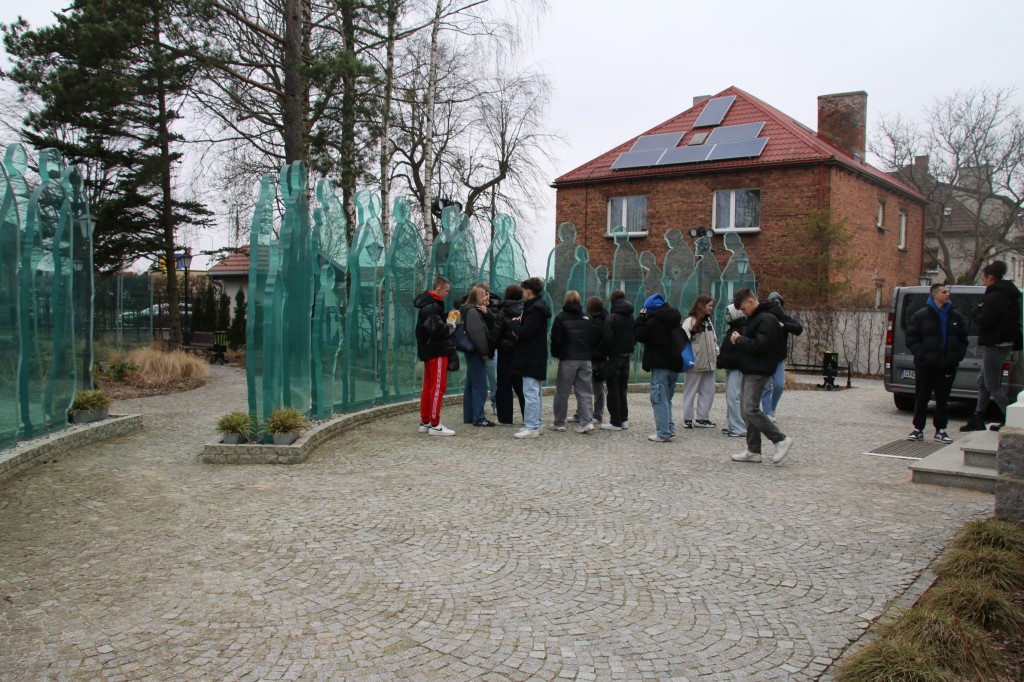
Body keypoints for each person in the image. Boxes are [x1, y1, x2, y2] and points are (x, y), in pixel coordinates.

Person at [729, 288, 794, 464]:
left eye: (743, 308)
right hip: (750, 368)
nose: (743, 312)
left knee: (750, 409)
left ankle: (780, 439)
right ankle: (753, 450)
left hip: (758, 370)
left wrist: (740, 340)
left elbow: (761, 345)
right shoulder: (759, 318)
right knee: (746, 410)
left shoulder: (767, 319)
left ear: (751, 301)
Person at [962, 260, 1023, 432]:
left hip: (995, 343)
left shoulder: (995, 296)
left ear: (990, 277)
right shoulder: (1010, 293)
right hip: (1005, 342)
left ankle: (1009, 416)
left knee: (991, 385)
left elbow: (986, 321)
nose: (983, 281)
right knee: (982, 381)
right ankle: (978, 417)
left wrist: (976, 311)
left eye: (984, 277)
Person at [905, 283, 968, 443]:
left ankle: (941, 429)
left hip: (946, 366)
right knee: (922, 396)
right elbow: (911, 339)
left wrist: (956, 356)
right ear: (934, 295)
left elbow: (963, 340)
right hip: (925, 366)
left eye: (948, 292)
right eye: (944, 292)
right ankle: (918, 429)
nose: (948, 294)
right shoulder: (920, 316)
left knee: (943, 398)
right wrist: (921, 355)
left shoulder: (955, 317)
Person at [634, 292, 683, 443]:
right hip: (674, 364)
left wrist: (641, 318)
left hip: (660, 365)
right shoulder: (674, 318)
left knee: (659, 399)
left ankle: (663, 433)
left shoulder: (654, 321)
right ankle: (670, 428)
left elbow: (639, 335)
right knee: (666, 399)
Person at [414, 275, 457, 436]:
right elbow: (438, 330)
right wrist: (451, 326)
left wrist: (445, 317)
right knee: (438, 387)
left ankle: (425, 421)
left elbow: (431, 325)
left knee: (428, 386)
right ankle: (435, 424)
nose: (447, 294)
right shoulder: (432, 307)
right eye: (446, 291)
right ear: (438, 289)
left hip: (428, 351)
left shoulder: (429, 306)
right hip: (436, 350)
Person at [509, 277, 551, 439]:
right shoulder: (538, 307)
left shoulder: (534, 309)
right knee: (535, 391)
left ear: (528, 290)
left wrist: (514, 325)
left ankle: (532, 426)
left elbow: (526, 332)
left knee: (530, 391)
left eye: (524, 290)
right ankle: (536, 423)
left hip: (531, 354)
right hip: (536, 354)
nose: (522, 293)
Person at [550, 290, 596, 433]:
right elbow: (593, 338)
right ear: (579, 301)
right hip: (585, 358)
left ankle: (559, 422)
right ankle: (587, 422)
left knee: (562, 392)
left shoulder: (560, 318)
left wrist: (557, 354)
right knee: (585, 392)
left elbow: (555, 339)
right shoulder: (588, 317)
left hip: (568, 358)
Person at [760, 291, 803, 420]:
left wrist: (783, 326)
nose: (776, 305)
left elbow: (798, 328)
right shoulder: (764, 317)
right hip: (766, 357)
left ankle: (772, 408)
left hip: (778, 358)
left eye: (778, 303)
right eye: (774, 302)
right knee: (766, 386)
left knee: (779, 384)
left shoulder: (783, 318)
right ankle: (767, 412)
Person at [460, 285, 498, 427]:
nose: (486, 298)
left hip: (471, 351)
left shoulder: (469, 310)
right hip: (476, 352)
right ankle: (479, 417)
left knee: (471, 384)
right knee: (479, 386)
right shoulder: (472, 312)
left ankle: (470, 415)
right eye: (484, 295)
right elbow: (478, 334)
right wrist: (484, 352)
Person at [680, 294, 718, 429]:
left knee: (708, 391)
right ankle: (688, 418)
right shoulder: (690, 321)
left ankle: (702, 418)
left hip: (709, 362)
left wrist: (716, 351)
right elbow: (683, 341)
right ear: (702, 305)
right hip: (695, 362)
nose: (711, 308)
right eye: (709, 306)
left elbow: (713, 339)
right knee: (690, 390)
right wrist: (688, 358)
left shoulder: (708, 322)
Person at [601, 290, 635, 430]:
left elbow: (607, 339)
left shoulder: (612, 317)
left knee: (613, 389)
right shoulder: (631, 318)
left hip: (614, 357)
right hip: (626, 357)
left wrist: (605, 352)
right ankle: (624, 419)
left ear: (613, 300)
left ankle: (615, 421)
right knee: (622, 389)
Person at [495, 284, 526, 426]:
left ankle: (505, 418)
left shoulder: (502, 310)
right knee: (522, 387)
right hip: (520, 352)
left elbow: (497, 332)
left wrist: (491, 349)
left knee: (504, 386)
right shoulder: (525, 310)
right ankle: (528, 417)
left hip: (505, 352)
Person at [716, 303, 747, 438]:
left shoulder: (741, 328)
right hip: (733, 366)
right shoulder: (735, 327)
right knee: (731, 396)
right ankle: (733, 424)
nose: (727, 316)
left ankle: (739, 427)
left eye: (730, 313)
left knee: (734, 396)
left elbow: (738, 350)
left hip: (737, 367)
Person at [584, 296, 608, 427]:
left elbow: (593, 340)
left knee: (595, 386)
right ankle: (594, 413)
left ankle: (597, 414)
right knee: (594, 386)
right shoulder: (603, 319)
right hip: (599, 357)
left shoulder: (596, 322)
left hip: (595, 357)